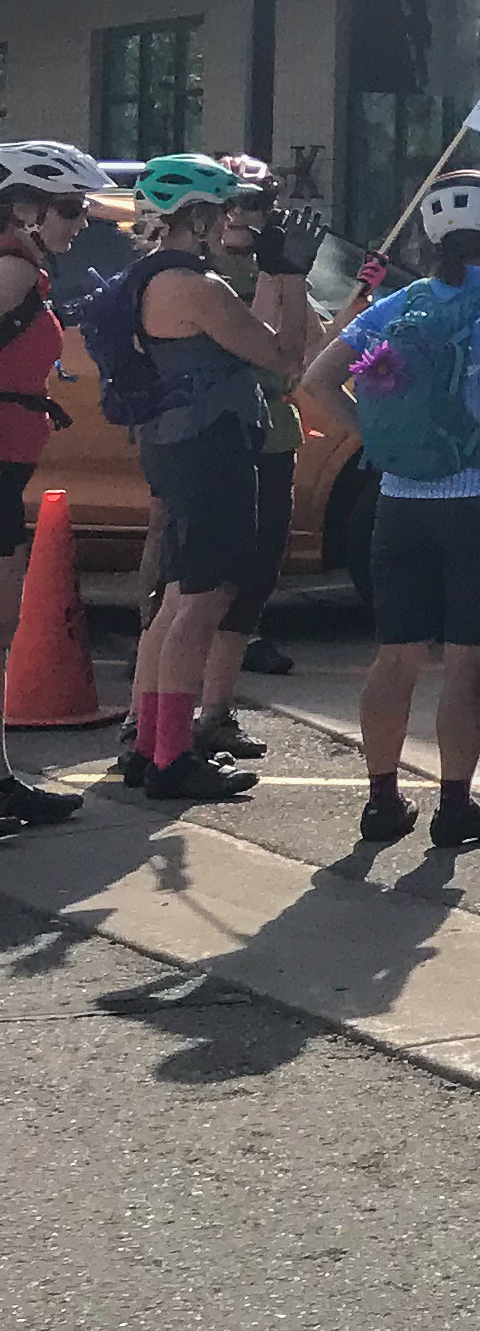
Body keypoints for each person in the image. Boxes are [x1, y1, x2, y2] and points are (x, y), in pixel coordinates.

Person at [303, 172, 480, 852]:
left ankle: (383, 801)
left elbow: (316, 380)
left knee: (395, 657)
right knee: (468, 664)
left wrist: (374, 438)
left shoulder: (393, 305)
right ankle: (455, 808)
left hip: (400, 503)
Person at [102, 154, 319, 800]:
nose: (229, 222)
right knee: (202, 603)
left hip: (174, 447)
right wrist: (292, 276)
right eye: (220, 211)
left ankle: (149, 746)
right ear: (196, 217)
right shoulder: (197, 288)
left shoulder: (148, 278)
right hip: (211, 451)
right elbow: (284, 360)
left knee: (176, 599)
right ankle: (172, 755)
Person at [191, 162, 330, 752]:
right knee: (192, 586)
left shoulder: (271, 263)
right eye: (235, 202)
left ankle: (215, 712)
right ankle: (158, 723)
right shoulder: (204, 275)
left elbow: (313, 348)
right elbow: (268, 350)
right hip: (216, 438)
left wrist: (296, 277)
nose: (246, 213)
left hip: (272, 436)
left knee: (252, 582)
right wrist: (279, 280)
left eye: (259, 201)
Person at [0, 140, 113, 832]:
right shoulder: (11, 267)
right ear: (23, 208)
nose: (81, 221)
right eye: (70, 209)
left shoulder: (23, 272)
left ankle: (3, 781)